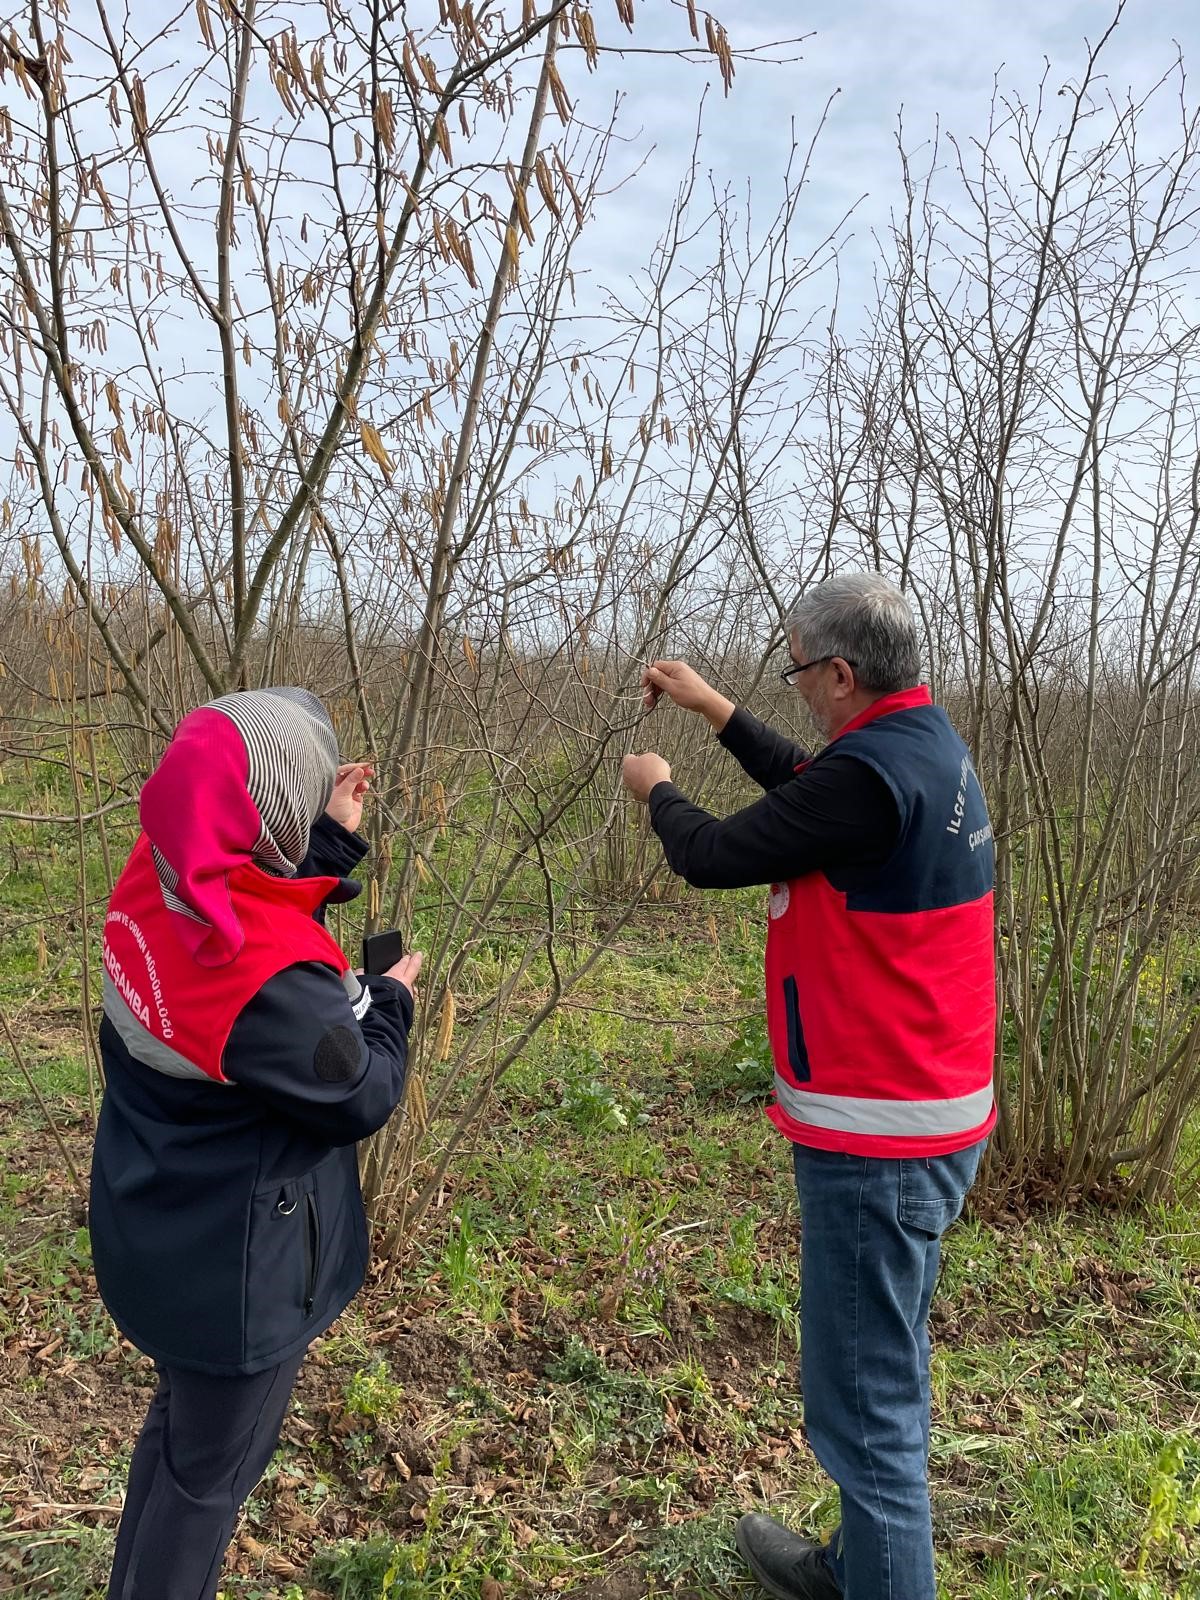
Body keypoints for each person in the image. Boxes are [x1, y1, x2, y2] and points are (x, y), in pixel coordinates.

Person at [620, 573, 996, 1600]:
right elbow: (814, 785)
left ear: (841, 671)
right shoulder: (919, 745)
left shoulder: (873, 776)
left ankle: (878, 1576)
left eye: (797, 669)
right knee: (881, 1374)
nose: (795, 688)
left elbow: (714, 851)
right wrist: (714, 709)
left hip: (879, 1142)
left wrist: (656, 785)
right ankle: (857, 1566)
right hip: (931, 1115)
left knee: (864, 1411)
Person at [90, 687, 422, 1600]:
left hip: (159, 1228)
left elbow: (245, 890)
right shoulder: (266, 983)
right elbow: (360, 1087)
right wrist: (390, 999)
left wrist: (326, 841)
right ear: (273, 813)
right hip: (238, 1277)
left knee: (179, 1440)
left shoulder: (158, 871)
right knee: (207, 1487)